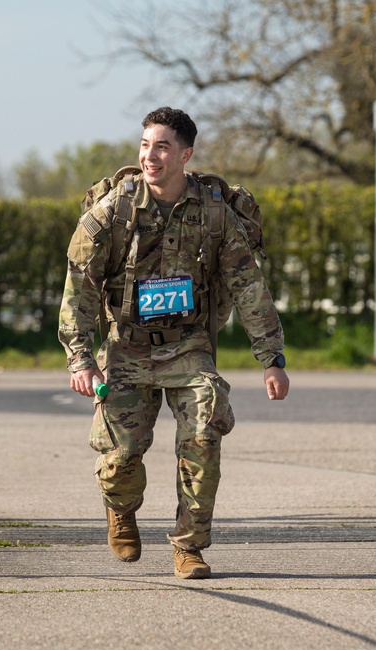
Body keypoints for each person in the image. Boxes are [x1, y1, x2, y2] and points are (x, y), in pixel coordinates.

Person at [58, 106, 289, 579]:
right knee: (119, 456)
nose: (150, 155)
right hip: (127, 348)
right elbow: (79, 286)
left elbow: (248, 286)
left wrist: (272, 358)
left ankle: (190, 546)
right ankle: (120, 511)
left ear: (185, 154)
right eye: (145, 145)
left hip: (189, 348)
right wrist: (80, 358)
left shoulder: (214, 214)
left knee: (205, 432)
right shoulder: (114, 210)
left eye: (162, 146)